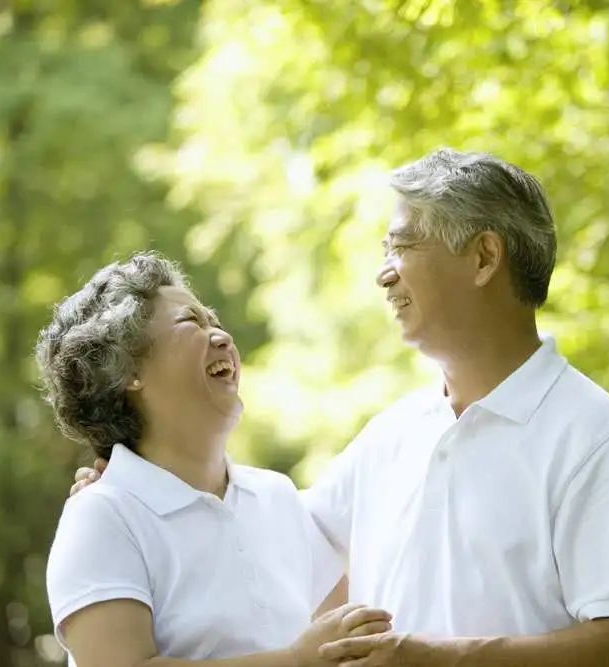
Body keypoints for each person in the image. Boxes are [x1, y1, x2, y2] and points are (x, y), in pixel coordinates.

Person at [73, 149, 609, 666]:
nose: (383, 275)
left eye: (401, 246)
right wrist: (132, 486)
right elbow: (252, 541)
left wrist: (440, 658)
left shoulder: (589, 433)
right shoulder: (393, 434)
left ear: (484, 258)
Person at [38, 254, 392, 667]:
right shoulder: (102, 515)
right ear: (129, 370)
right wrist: (295, 662)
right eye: (191, 322)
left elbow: (348, 636)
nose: (221, 336)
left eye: (214, 320)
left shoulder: (276, 496)